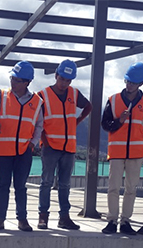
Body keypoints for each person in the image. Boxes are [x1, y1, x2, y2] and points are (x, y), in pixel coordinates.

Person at [0, 61, 43, 232]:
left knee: (20, 187)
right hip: (3, 151)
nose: (13, 82)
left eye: (17, 80)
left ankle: (22, 220)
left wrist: (32, 144)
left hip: (23, 152)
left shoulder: (37, 101)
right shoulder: (2, 95)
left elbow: (39, 125)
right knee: (3, 185)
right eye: (12, 78)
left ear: (27, 82)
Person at [37, 59, 92, 230]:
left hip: (68, 147)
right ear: (56, 75)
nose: (64, 83)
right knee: (46, 182)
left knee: (65, 184)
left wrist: (79, 119)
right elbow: (36, 120)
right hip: (50, 146)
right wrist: (44, 139)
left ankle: (64, 217)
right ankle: (43, 217)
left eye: (68, 80)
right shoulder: (42, 95)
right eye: (62, 79)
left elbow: (88, 106)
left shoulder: (74, 94)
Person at [100, 62, 143, 235]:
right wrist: (119, 121)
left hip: (136, 153)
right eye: (127, 81)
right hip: (116, 152)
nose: (129, 84)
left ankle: (125, 222)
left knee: (131, 189)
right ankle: (111, 221)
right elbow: (105, 124)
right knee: (113, 187)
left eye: (132, 82)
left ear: (141, 84)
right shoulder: (113, 100)